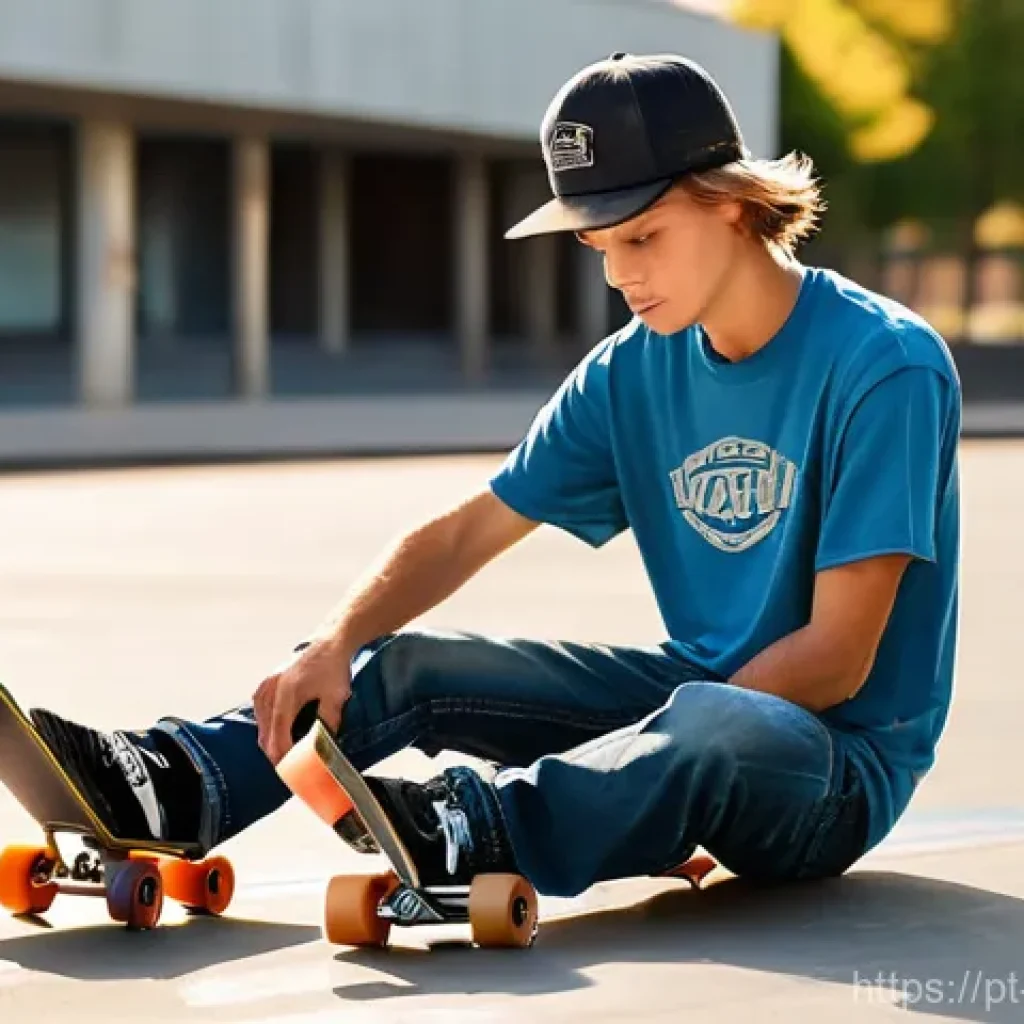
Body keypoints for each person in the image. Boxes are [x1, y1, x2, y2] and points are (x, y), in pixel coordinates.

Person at [28, 53, 960, 900]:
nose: (620, 279)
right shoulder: (633, 367)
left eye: (643, 237)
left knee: (712, 723)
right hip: (696, 706)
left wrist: (650, 761)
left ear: (729, 199)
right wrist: (333, 641)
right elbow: (471, 529)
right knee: (400, 665)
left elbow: (839, 661)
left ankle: (482, 823)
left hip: (829, 765)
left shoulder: (885, 366)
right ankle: (179, 784)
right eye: (600, 250)